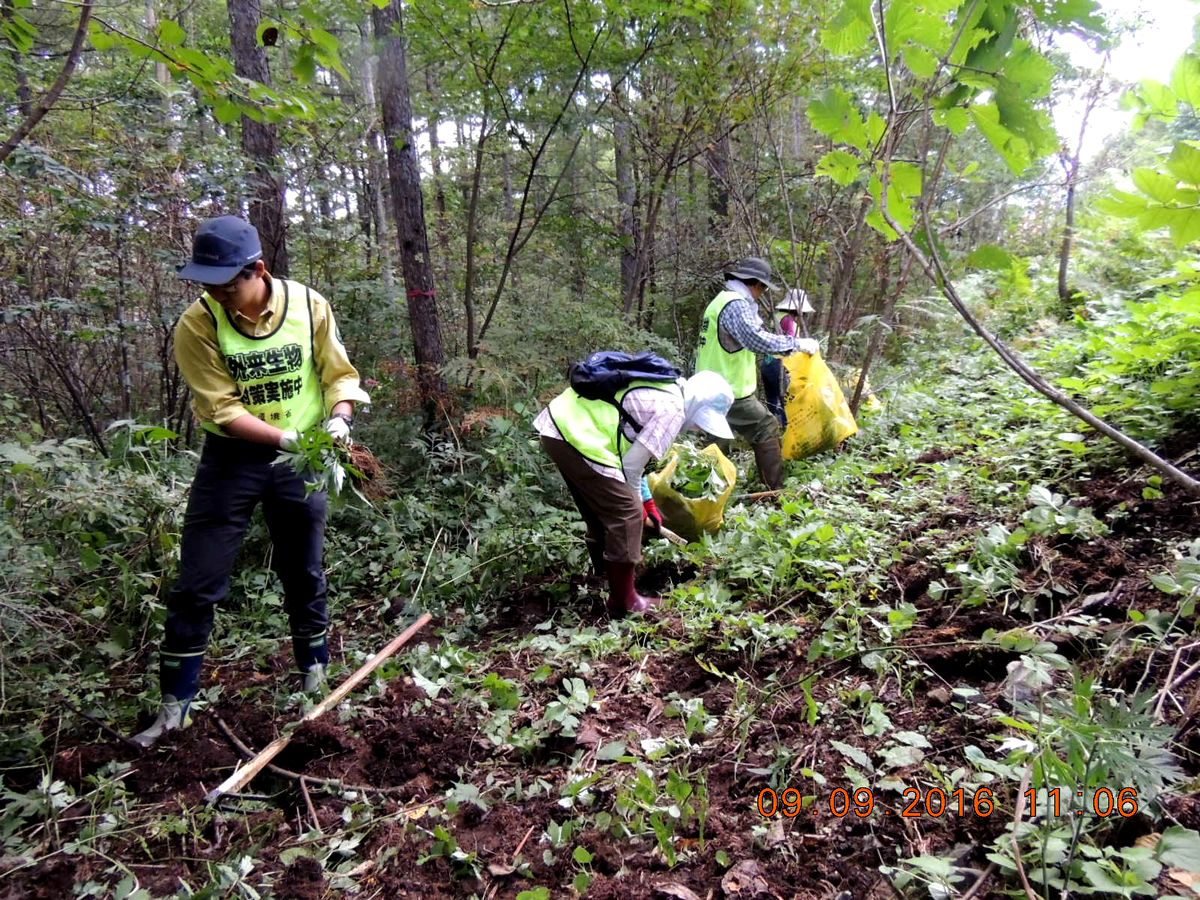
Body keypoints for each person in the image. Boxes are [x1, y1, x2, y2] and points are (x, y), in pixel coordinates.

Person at [132, 216, 370, 748]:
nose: (216, 295)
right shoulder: (198, 324)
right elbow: (221, 406)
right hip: (232, 459)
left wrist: (339, 418)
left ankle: (314, 675)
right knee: (198, 579)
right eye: (207, 286)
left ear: (257, 270)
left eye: (226, 285)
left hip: (303, 457)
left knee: (303, 569)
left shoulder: (308, 306)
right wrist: (283, 439)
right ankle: (175, 707)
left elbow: (339, 374)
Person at [534, 370, 734, 617]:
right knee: (626, 514)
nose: (695, 427)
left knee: (601, 512)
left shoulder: (667, 390)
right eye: (699, 420)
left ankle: (604, 579)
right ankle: (626, 601)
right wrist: (636, 508)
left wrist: (648, 501)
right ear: (697, 405)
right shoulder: (673, 409)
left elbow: (631, 457)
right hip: (577, 436)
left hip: (557, 428)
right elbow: (630, 467)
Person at [695, 258, 818, 490]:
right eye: (762, 288)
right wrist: (796, 344)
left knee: (715, 444)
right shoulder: (736, 304)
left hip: (710, 388)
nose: (761, 294)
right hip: (728, 391)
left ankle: (703, 495)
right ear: (755, 284)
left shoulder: (720, 301)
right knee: (765, 426)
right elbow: (756, 339)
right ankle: (773, 490)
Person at [761, 288, 816, 427]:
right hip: (779, 364)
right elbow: (792, 343)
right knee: (787, 401)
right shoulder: (788, 320)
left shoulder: (776, 315)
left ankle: (771, 429)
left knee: (772, 401)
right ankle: (787, 430)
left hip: (767, 362)